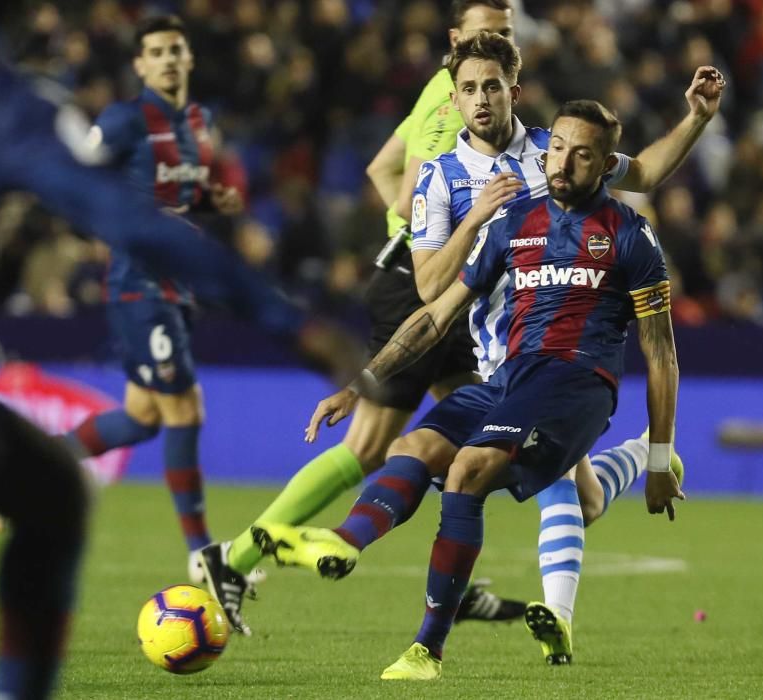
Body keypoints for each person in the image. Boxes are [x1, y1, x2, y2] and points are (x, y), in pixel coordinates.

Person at [0, 1, 348, 697]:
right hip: (115, 295)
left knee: (70, 471)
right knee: (173, 411)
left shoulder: (195, 125)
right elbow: (132, 220)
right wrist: (292, 324)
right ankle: (202, 554)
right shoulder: (0, 96)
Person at [253, 99, 684, 680]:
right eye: (556, 147)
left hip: (577, 382)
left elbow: (661, 353)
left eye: (582, 155)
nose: (563, 163)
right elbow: (436, 315)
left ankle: (426, 650)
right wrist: (360, 383)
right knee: (412, 449)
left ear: (607, 165)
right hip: (509, 378)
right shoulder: (514, 222)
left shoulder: (631, 236)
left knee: (469, 469)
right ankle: (342, 541)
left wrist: (660, 458)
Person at [200, 0, 525, 636]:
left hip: (455, 286)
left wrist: (410, 226)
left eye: (508, 34)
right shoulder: (449, 100)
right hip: (423, 288)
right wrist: (429, 228)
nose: (500, 40)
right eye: (487, 33)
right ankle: (233, 558)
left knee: (473, 444)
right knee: (371, 445)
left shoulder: (452, 89)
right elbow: (409, 190)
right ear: (456, 38)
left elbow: (381, 168)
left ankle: (454, 583)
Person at [408, 31, 722, 662]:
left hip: (559, 356)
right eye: (468, 88)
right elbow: (430, 290)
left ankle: (555, 619)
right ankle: (640, 455)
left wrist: (696, 117)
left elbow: (650, 172)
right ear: (454, 97)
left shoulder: (557, 151)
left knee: (544, 482)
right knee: (585, 498)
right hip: (492, 355)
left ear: (513, 91)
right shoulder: (442, 175)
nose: (481, 98)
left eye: (492, 85)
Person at [62, 15, 245, 594]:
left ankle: (39, 465)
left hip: (180, 284)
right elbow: (71, 184)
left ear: (188, 59)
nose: (167, 59)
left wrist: (212, 202)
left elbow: (179, 198)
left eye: (175, 50)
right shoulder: (121, 121)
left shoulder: (200, 121)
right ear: (139, 65)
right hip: (138, 285)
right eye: (155, 52)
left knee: (143, 417)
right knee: (185, 409)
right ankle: (202, 556)